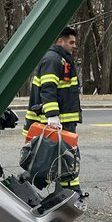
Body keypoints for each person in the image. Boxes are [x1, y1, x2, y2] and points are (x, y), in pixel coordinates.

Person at [25, 26, 82, 191]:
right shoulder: (53, 60)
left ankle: (64, 191)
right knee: (66, 158)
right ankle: (71, 192)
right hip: (58, 122)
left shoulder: (62, 59)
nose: (74, 46)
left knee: (58, 159)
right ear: (60, 41)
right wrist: (52, 117)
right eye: (71, 42)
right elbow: (48, 90)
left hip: (64, 121)